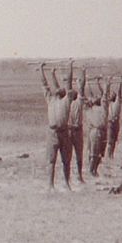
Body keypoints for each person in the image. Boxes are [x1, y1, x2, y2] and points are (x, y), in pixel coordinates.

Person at [39, 63, 74, 191]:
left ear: (64, 93)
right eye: (57, 89)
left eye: (61, 89)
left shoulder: (66, 101)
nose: (58, 89)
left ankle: (66, 183)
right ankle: (50, 185)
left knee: (66, 160)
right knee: (51, 160)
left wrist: (70, 66)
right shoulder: (50, 99)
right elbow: (44, 84)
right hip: (52, 133)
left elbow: (69, 83)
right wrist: (41, 69)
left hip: (64, 133)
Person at [65, 62, 88, 185]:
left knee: (79, 155)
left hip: (78, 130)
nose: (72, 93)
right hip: (69, 131)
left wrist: (83, 71)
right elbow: (68, 84)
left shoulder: (79, 102)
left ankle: (79, 175)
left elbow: (82, 87)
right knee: (67, 156)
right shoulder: (67, 103)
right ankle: (67, 179)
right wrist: (71, 67)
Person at [85, 77, 109, 178]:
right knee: (94, 153)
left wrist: (99, 84)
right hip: (95, 132)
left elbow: (104, 95)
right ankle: (91, 170)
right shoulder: (89, 109)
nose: (97, 98)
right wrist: (88, 83)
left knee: (100, 153)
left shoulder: (103, 108)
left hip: (103, 132)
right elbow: (89, 95)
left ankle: (95, 170)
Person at [106, 77, 122, 161]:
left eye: (113, 95)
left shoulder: (117, 102)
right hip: (110, 123)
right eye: (111, 95)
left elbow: (119, 93)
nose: (111, 96)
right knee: (110, 140)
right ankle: (109, 155)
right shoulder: (108, 104)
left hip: (116, 123)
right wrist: (108, 84)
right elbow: (106, 93)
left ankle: (111, 155)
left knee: (114, 140)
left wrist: (120, 83)